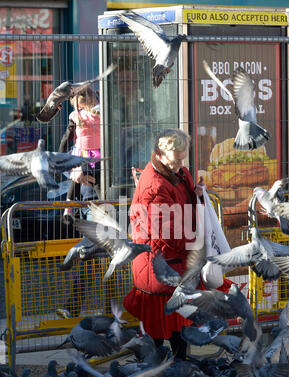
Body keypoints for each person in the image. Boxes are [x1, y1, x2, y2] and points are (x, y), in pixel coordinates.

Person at [123, 128, 233, 360]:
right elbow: (169, 233)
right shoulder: (155, 186)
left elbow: (184, 209)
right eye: (175, 160)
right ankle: (161, 372)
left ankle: (173, 370)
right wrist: (201, 244)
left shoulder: (179, 173)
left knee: (176, 327)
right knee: (162, 330)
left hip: (173, 264)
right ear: (160, 154)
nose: (179, 165)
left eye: (183, 159)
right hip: (160, 267)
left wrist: (198, 194)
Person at [58, 87, 102, 219]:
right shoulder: (104, 111)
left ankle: (69, 206)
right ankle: (104, 204)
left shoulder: (76, 116)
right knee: (97, 180)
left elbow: (66, 138)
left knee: (79, 180)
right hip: (96, 156)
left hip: (82, 154)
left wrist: (60, 154)